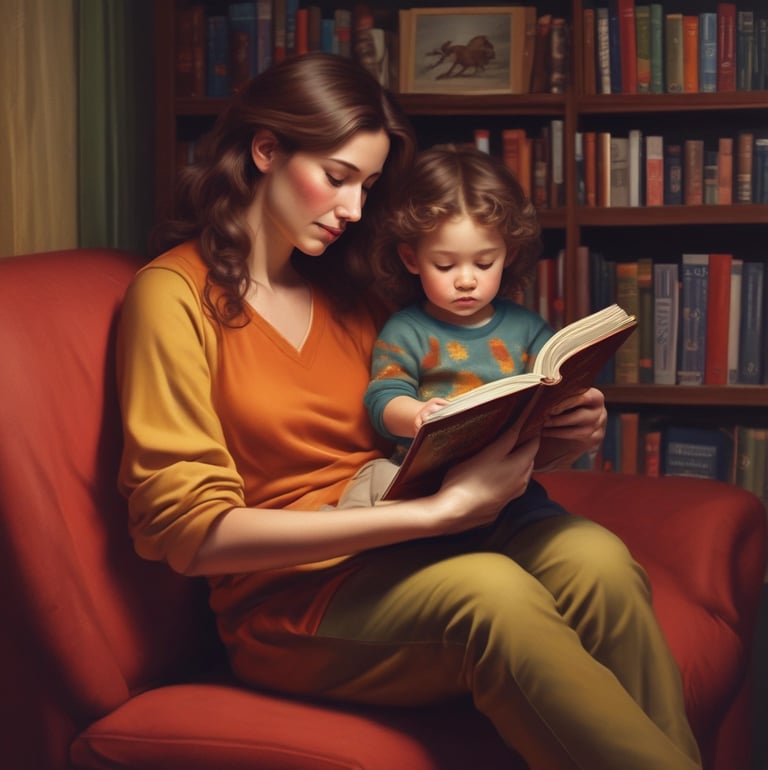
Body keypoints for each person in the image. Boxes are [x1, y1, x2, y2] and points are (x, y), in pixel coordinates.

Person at [116, 52, 702, 770]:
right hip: (289, 602)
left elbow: (431, 438)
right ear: (265, 150)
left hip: (410, 549)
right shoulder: (171, 297)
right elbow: (189, 537)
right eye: (336, 178)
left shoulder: (354, 296)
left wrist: (554, 436)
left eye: (366, 186)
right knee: (495, 599)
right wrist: (437, 517)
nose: (354, 210)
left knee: (598, 560)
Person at [338, 143, 568, 508]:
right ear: (411, 258)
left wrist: (568, 403)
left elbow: (554, 391)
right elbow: (382, 400)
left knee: (596, 553)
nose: (466, 280)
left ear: (508, 254)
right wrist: (416, 416)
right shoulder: (406, 331)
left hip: (510, 489)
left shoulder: (529, 330)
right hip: (427, 493)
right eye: (445, 265)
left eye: (484, 263)